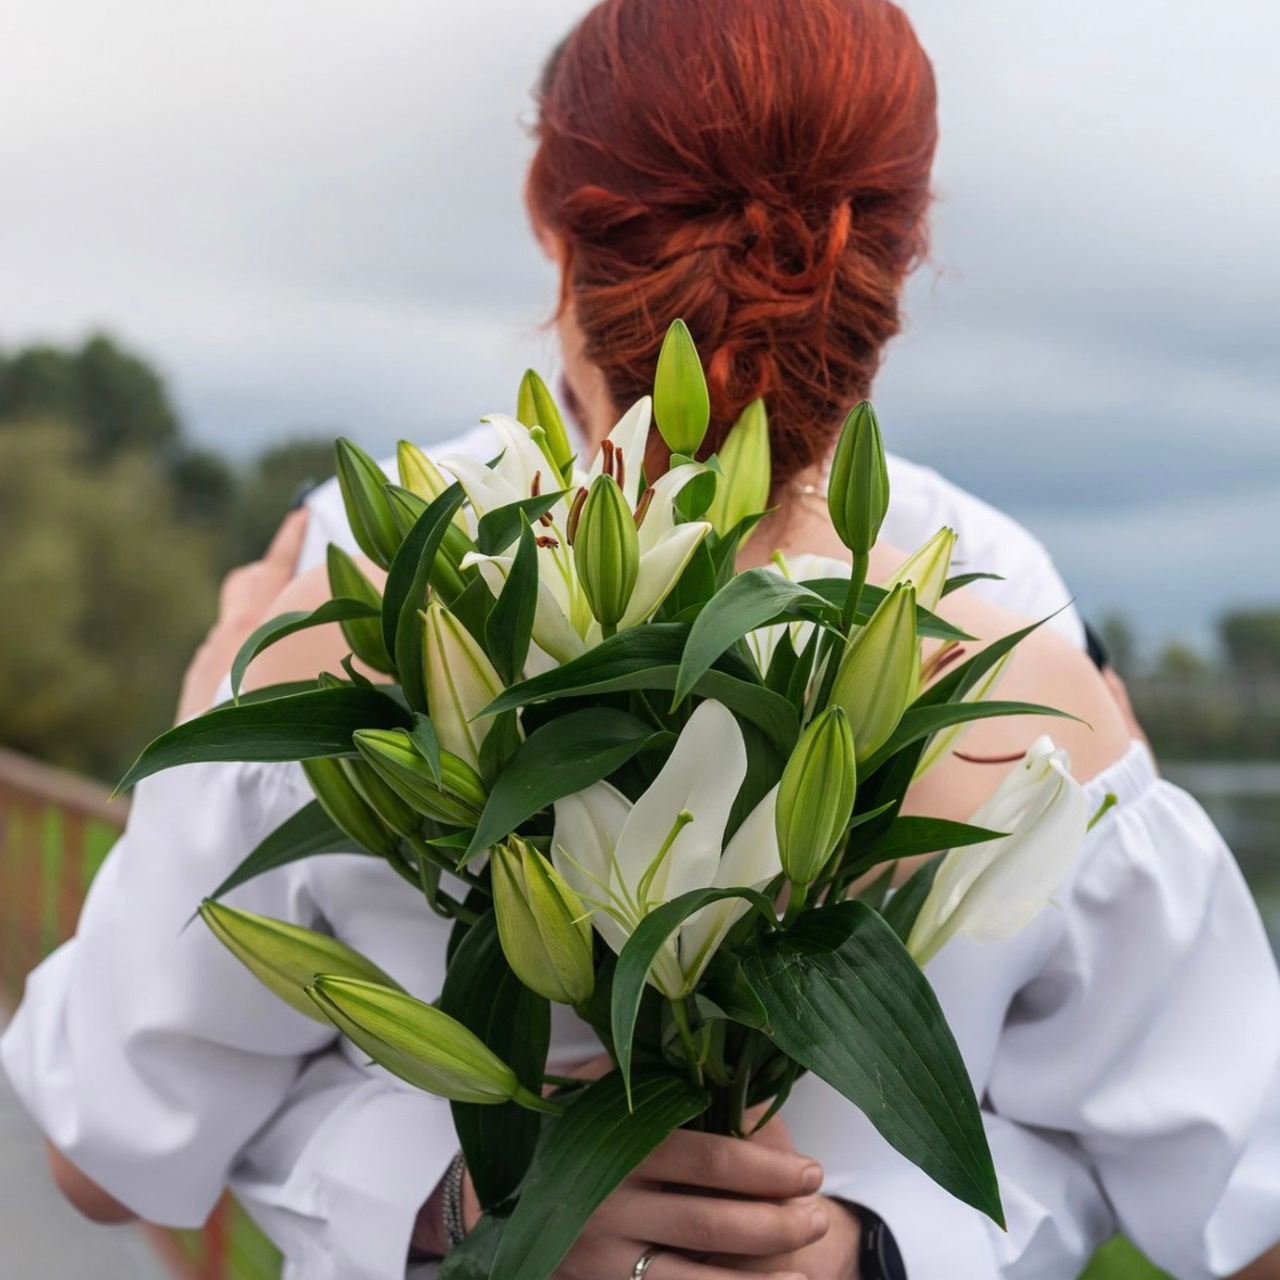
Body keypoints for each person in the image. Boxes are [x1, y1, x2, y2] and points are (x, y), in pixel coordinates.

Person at [6, 2, 1280, 1279]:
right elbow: (1229, 1196)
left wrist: (470, 1197)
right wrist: (880, 1241)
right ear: (903, 244)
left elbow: (108, 1147)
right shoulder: (1011, 624)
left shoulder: (350, 595)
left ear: (547, 211)